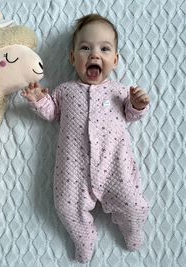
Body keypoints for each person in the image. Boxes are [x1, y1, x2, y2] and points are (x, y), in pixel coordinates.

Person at [22, 14, 150, 263]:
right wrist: (38, 98)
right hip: (74, 168)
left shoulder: (119, 91)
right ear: (72, 58)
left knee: (134, 204)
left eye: (104, 48)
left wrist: (138, 103)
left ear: (115, 60)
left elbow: (131, 114)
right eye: (85, 48)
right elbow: (52, 112)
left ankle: (133, 229)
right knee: (66, 207)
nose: (94, 54)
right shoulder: (65, 90)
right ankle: (83, 236)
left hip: (114, 165)